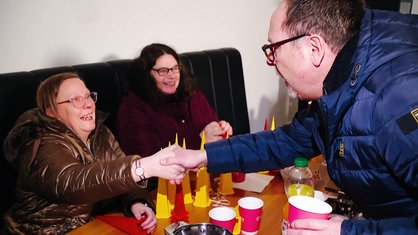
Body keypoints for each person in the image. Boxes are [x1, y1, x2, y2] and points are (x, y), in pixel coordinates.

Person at [162, 0, 418, 234]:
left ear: (314, 48)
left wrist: (350, 232)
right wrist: (203, 155)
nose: (269, 61)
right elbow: (284, 141)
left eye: (273, 48)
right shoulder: (344, 77)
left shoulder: (398, 98)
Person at [1, 72, 185, 234]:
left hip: (91, 227)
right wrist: (144, 167)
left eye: (88, 96)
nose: (88, 104)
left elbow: (122, 176)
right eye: (75, 99)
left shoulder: (101, 133)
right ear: (51, 112)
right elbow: (73, 183)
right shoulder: (40, 143)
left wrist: (136, 202)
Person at [116, 43, 232, 190]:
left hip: (206, 181)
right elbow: (148, 163)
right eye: (163, 71)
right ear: (147, 74)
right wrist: (201, 142)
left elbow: (211, 130)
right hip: (162, 191)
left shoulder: (192, 94)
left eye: (175, 68)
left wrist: (221, 130)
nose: (172, 76)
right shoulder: (132, 108)